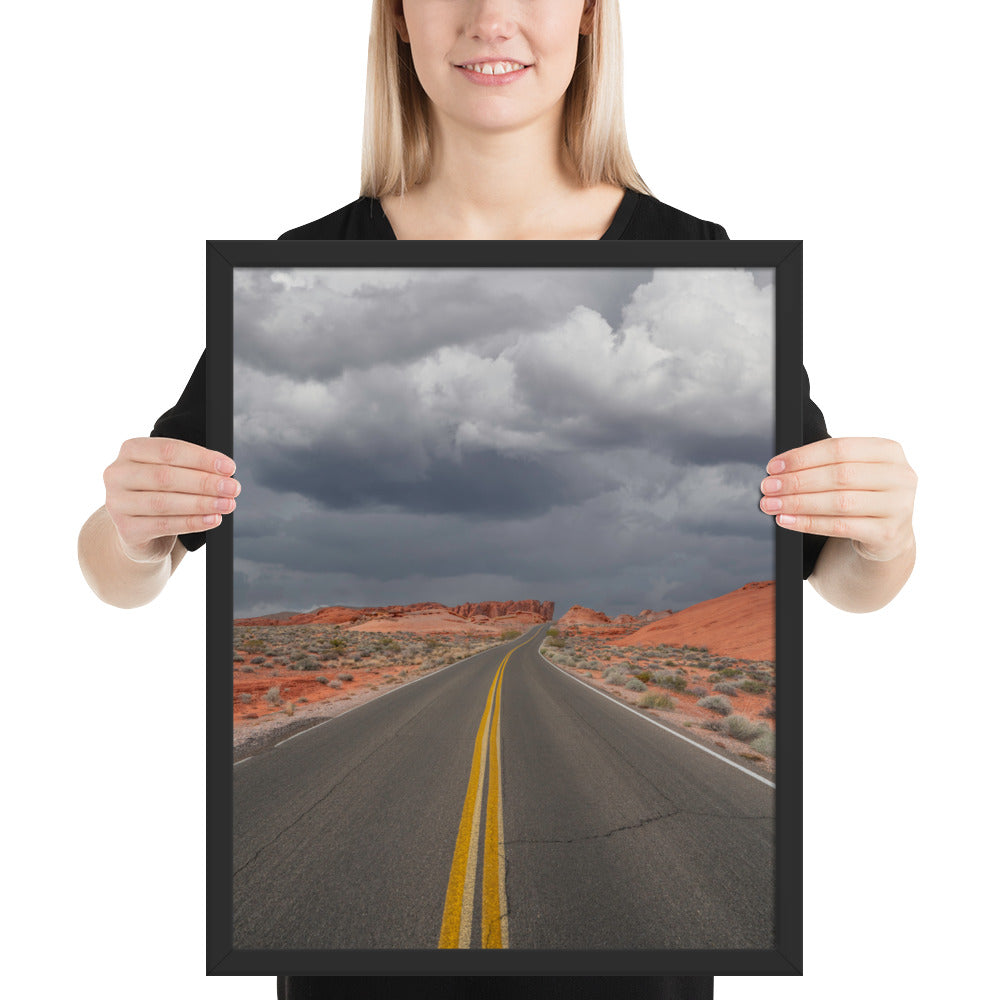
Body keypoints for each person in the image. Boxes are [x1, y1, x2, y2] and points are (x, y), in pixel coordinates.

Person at [77, 2, 917, 999]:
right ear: (395, 20)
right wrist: (130, 528)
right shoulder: (296, 269)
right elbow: (124, 569)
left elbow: (844, 577)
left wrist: (884, 531)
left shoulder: (707, 259)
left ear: (591, 19)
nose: (491, 19)